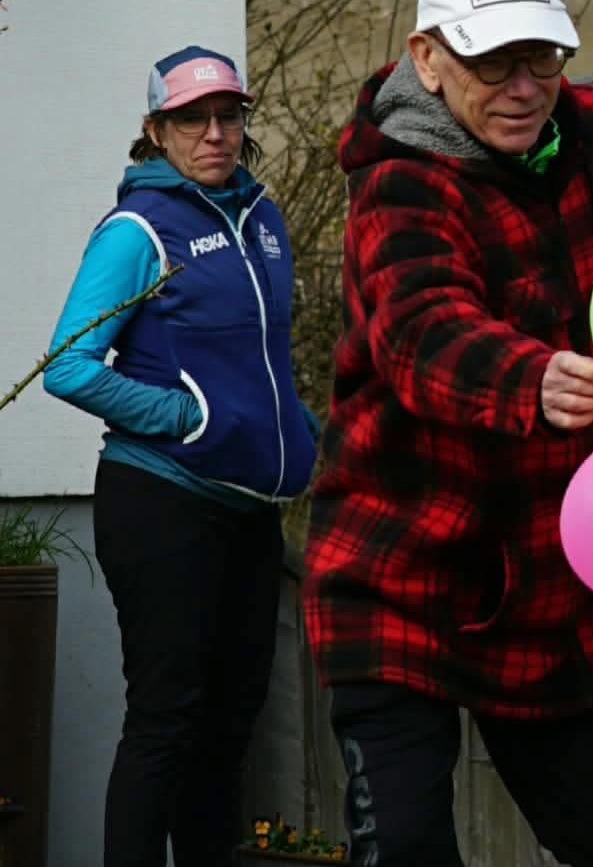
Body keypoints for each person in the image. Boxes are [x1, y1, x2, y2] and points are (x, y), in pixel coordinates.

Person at [301, 0, 593, 866]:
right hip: (400, 566)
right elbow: (419, 331)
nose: (523, 85)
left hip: (559, 557)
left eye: (541, 57)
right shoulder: (399, 178)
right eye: (492, 61)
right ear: (427, 59)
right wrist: (532, 375)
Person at [44, 46, 319, 867]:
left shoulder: (263, 219)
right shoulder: (138, 230)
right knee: (167, 716)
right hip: (161, 500)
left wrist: (294, 427)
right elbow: (68, 363)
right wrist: (182, 416)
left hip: (248, 510)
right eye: (193, 118)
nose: (215, 133)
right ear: (156, 130)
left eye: (229, 115)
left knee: (229, 724)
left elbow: (266, 357)